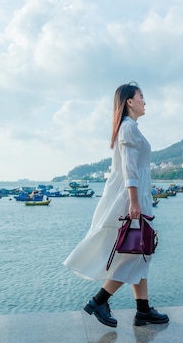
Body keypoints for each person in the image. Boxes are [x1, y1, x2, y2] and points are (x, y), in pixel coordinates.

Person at [63, 82, 169, 328]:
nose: (145, 101)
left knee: (139, 253)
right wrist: (134, 202)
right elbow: (129, 168)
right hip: (131, 199)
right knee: (136, 254)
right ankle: (99, 300)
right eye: (142, 97)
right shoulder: (129, 127)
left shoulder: (130, 127)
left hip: (135, 197)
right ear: (130, 102)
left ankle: (142, 310)